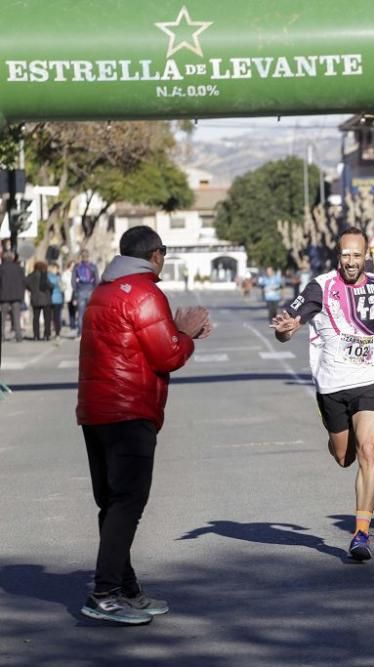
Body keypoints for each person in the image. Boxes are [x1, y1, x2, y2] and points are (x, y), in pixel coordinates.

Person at [77, 225, 212, 625]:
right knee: (128, 502)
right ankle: (104, 594)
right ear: (155, 254)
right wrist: (186, 334)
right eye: (164, 253)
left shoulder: (101, 292)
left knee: (112, 502)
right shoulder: (145, 292)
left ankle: (125, 587)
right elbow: (166, 354)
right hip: (129, 410)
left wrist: (177, 333)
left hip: (95, 411)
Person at [271, 227, 374, 561]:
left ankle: (361, 533)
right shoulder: (321, 287)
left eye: (356, 255)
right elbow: (291, 321)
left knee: (368, 448)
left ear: (366, 256)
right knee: (344, 456)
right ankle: (337, 435)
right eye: (345, 255)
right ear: (338, 256)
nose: (351, 261)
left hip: (371, 380)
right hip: (332, 385)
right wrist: (285, 330)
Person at [0, 251, 26, 342]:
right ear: (13, 258)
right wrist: (22, 296)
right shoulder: (19, 268)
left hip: (4, 296)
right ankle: (18, 336)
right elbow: (23, 283)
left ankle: (2, 336)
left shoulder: (1, 268)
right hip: (16, 296)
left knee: (2, 317)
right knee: (16, 317)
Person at [72, 250, 99, 335]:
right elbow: (97, 280)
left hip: (80, 291)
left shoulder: (76, 266)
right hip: (91, 290)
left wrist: (76, 290)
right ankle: (91, 332)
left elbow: (73, 281)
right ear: (88, 256)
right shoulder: (93, 266)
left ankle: (80, 332)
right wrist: (95, 290)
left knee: (80, 314)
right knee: (91, 313)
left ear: (81, 257)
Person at [25, 260, 53, 341]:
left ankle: (36, 335)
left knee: (36, 318)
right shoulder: (46, 275)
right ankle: (46, 335)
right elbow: (51, 285)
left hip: (35, 299)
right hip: (46, 299)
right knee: (47, 318)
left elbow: (26, 284)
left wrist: (32, 290)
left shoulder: (31, 275)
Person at [48, 263, 65, 338]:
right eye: (56, 268)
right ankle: (57, 333)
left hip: (50, 299)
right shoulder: (58, 278)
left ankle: (50, 332)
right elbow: (63, 288)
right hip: (57, 300)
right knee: (56, 317)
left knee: (50, 317)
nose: (56, 270)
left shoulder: (47, 277)